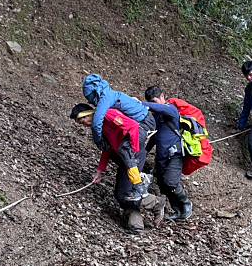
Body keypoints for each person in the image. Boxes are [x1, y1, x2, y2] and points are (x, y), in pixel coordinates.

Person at [70, 103, 165, 234]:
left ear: (89, 113)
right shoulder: (99, 128)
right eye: (80, 122)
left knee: (128, 192)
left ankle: (155, 204)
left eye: (83, 119)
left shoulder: (108, 114)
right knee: (121, 193)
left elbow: (133, 127)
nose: (83, 123)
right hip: (125, 159)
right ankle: (136, 223)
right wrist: (100, 170)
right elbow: (106, 149)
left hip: (133, 156)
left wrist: (133, 154)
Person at [144, 86, 193, 221]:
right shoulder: (157, 115)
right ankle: (177, 210)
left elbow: (160, 108)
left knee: (171, 182)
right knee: (163, 184)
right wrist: (145, 151)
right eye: (151, 102)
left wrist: (140, 104)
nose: (153, 105)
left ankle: (186, 203)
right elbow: (155, 136)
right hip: (161, 155)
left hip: (175, 154)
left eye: (155, 101)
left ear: (162, 97)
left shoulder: (170, 109)